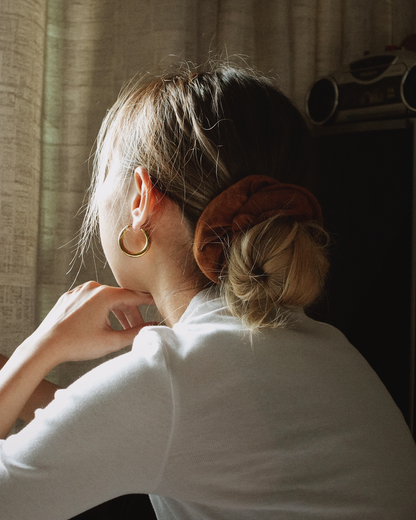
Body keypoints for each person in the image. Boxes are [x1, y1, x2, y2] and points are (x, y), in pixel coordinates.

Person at [0, 62, 415, 520]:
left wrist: (43, 346)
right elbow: (123, 429)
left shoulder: (173, 377)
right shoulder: (326, 349)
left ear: (140, 198)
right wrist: (20, 374)